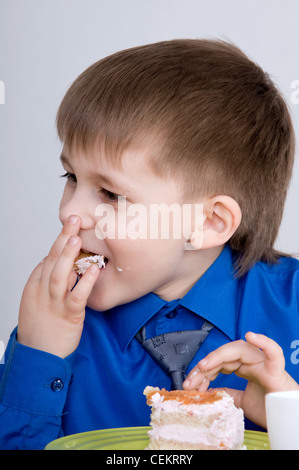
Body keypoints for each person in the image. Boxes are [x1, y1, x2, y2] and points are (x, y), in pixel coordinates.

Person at [0, 39, 298, 450]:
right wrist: (38, 356)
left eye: (109, 194)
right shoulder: (51, 323)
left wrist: (289, 419)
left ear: (208, 222)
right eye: (70, 178)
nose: (70, 213)